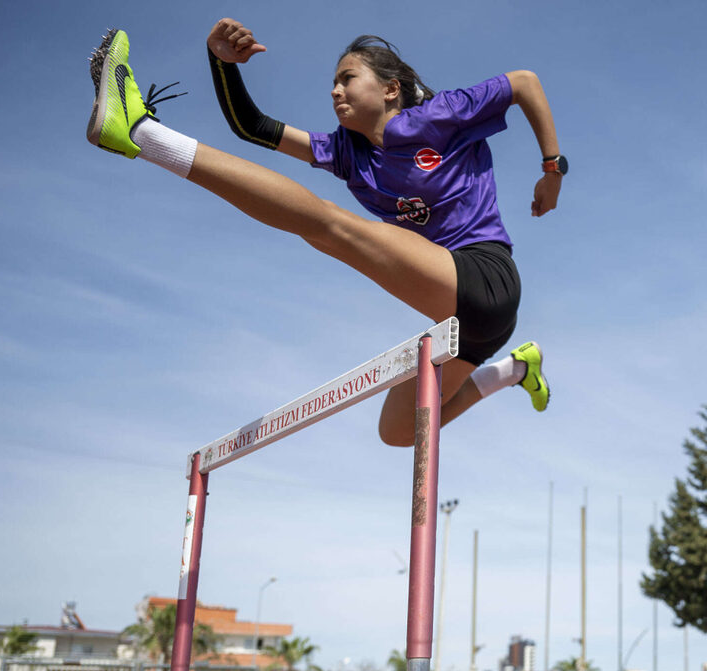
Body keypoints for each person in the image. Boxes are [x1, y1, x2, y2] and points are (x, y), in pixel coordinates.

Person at [86, 20, 561, 446]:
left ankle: (142, 134)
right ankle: (516, 369)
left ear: (392, 88)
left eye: (347, 79)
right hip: (468, 325)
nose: (335, 91)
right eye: (332, 83)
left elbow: (524, 83)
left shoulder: (440, 115)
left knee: (328, 226)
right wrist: (222, 63)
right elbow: (253, 127)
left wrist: (551, 169)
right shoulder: (347, 153)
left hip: (486, 280)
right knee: (399, 433)